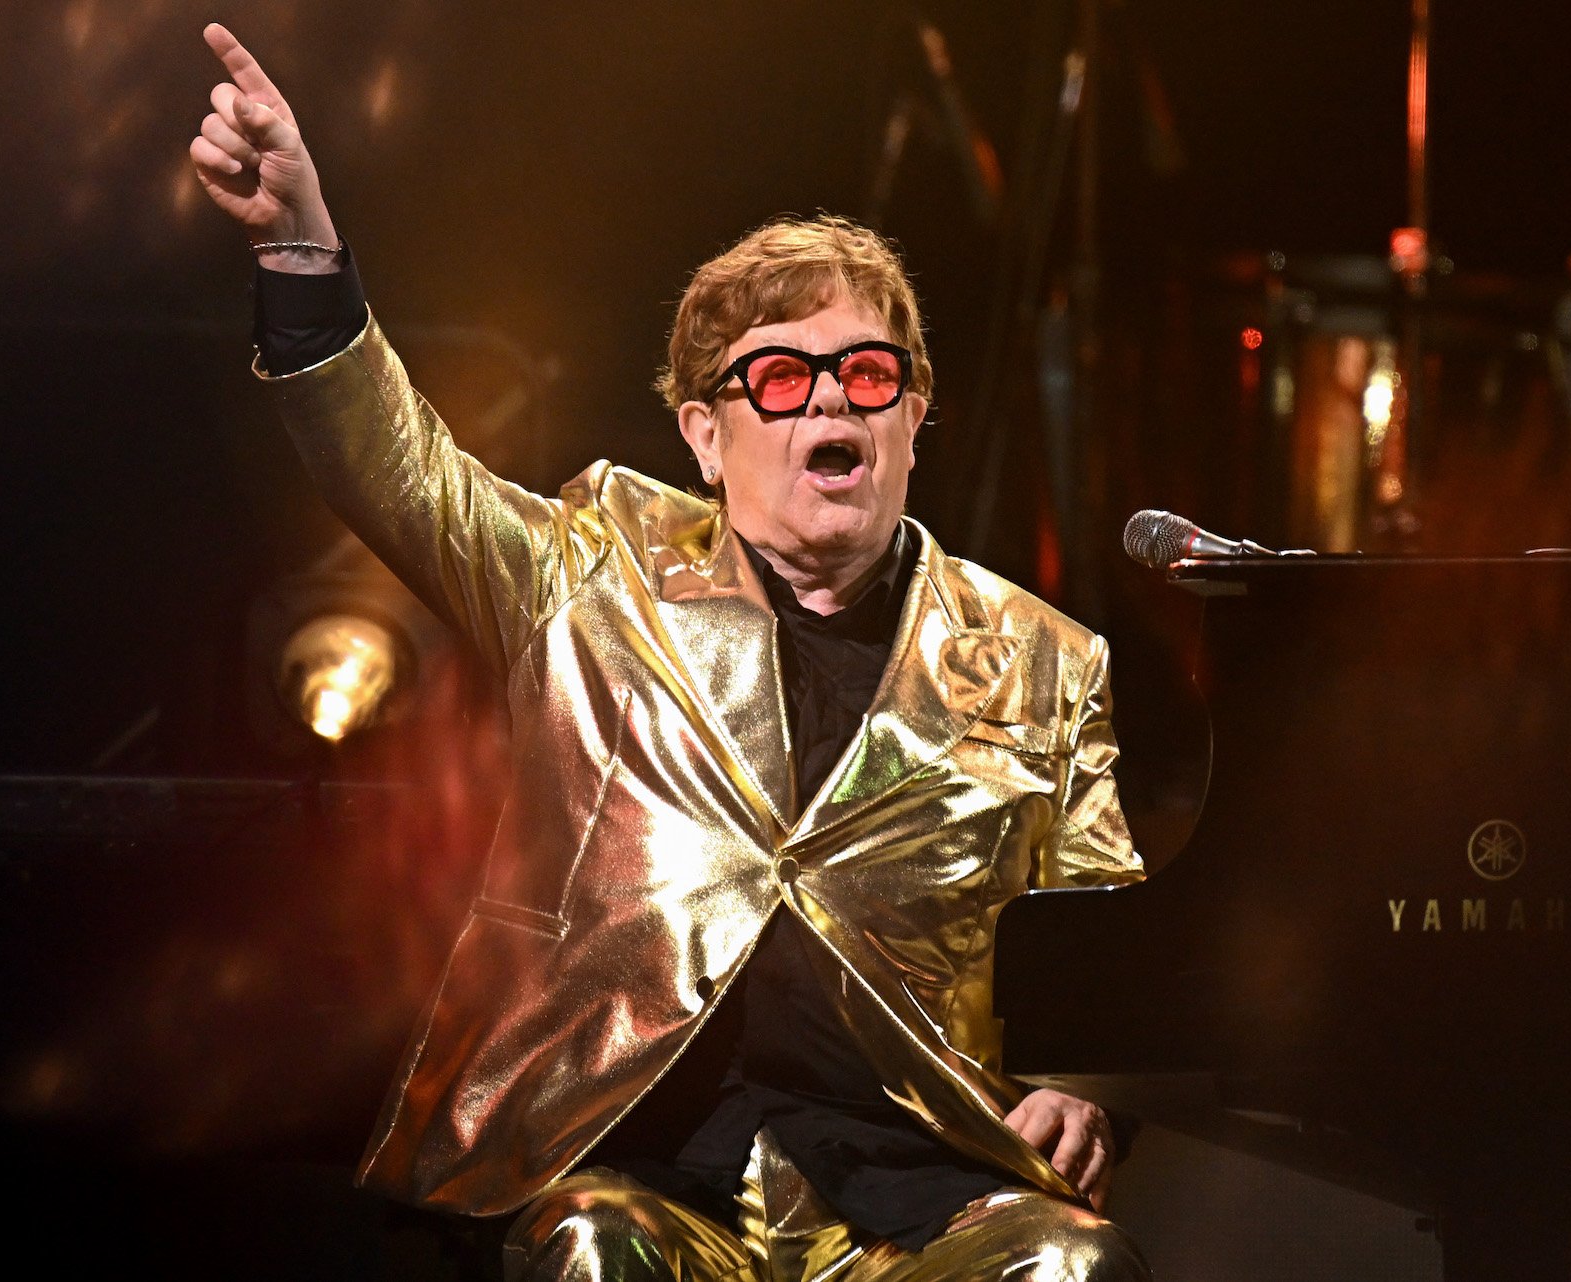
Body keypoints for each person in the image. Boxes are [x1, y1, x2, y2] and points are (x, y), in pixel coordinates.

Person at [190, 23, 1151, 1282]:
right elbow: (404, 479)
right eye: (782, 377)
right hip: (642, 1163)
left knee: (1072, 1267)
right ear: (704, 435)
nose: (830, 402)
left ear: (917, 413)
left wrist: (1088, 1087)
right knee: (598, 1254)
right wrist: (300, 248)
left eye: (868, 373)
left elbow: (1113, 949)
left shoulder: (1044, 659)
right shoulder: (593, 569)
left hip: (925, 1192)